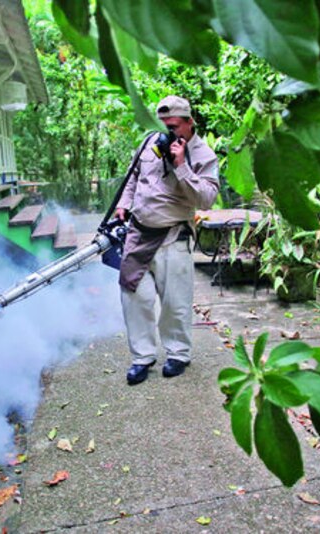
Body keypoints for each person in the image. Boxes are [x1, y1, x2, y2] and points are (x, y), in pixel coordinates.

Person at [114, 95, 219, 385]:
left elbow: (207, 199)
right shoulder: (151, 142)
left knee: (175, 302)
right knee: (134, 297)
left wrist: (181, 165)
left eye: (174, 127)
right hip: (139, 232)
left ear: (189, 123)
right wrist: (124, 203)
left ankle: (177, 354)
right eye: (163, 126)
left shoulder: (203, 154)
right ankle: (142, 357)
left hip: (173, 235)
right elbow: (133, 176)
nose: (168, 132)